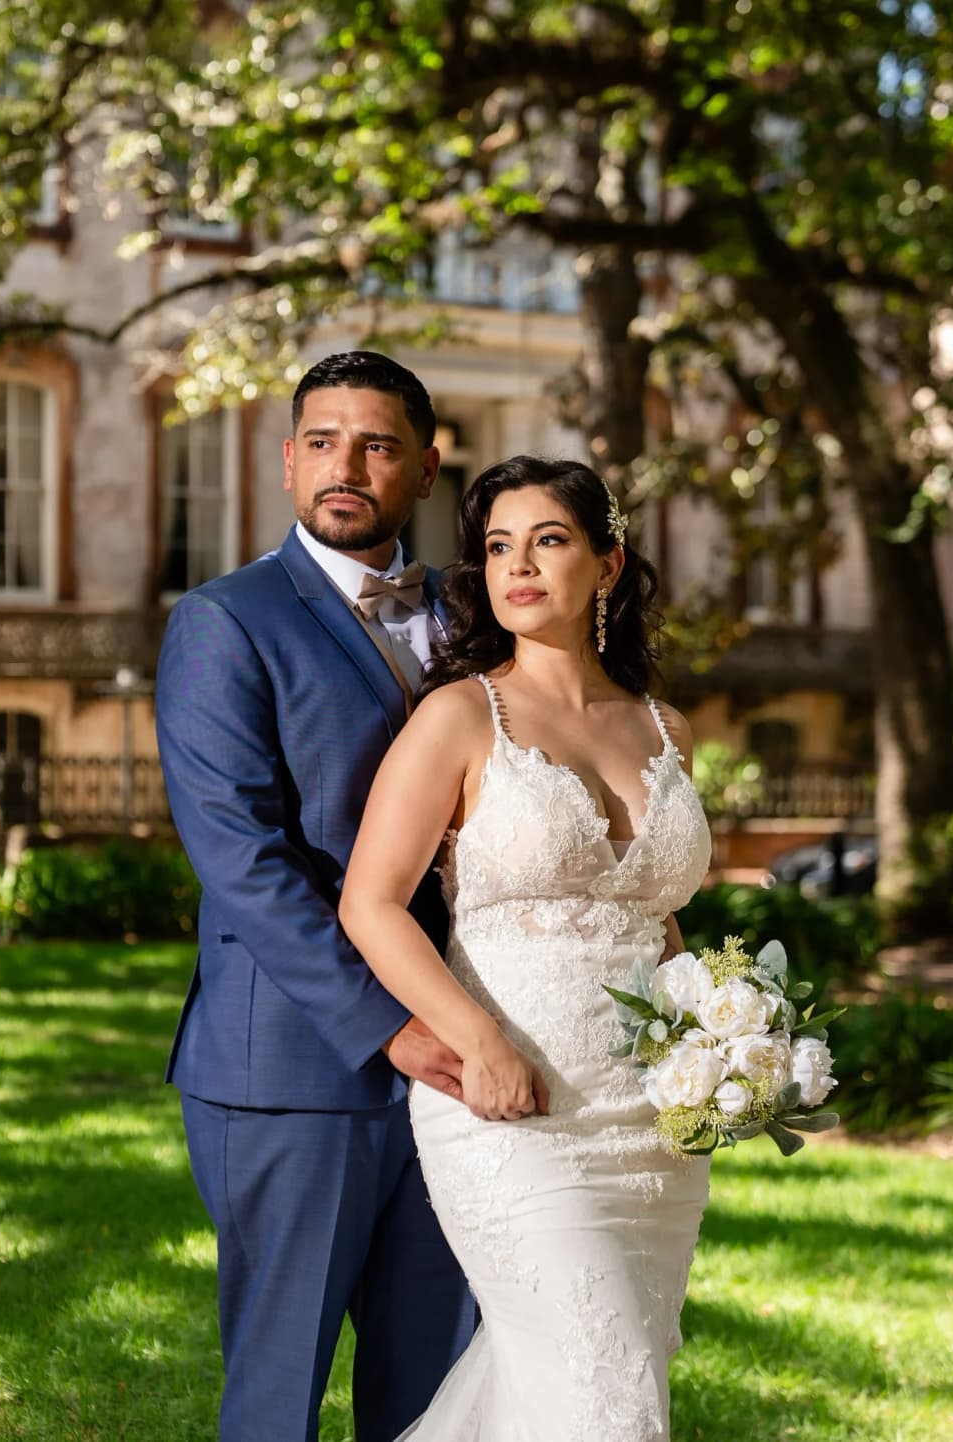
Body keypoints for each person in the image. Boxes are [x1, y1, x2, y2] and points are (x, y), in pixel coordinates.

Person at [339, 455, 714, 1440]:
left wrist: (716, 1054)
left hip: (652, 1126)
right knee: (604, 1392)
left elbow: (659, 919)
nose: (518, 566)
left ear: (609, 561)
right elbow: (371, 903)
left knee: (585, 1385)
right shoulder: (461, 716)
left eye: (548, 540)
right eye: (499, 545)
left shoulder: (663, 726)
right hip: (511, 1101)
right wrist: (475, 1038)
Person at [155, 351, 479, 1442]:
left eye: (380, 443)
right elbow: (243, 858)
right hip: (296, 1066)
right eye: (326, 441)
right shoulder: (224, 621)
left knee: (437, 1388)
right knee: (278, 1395)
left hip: (466, 1064)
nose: (350, 465)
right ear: (291, 461)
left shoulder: (476, 626)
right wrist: (388, 1023)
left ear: (427, 469)